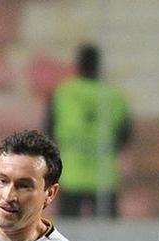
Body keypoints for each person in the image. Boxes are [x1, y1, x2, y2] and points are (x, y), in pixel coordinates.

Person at [43, 44, 132, 218]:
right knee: (109, 237)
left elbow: (48, 131)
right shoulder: (114, 96)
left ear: (79, 65)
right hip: (104, 176)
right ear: (100, 65)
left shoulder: (64, 93)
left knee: (66, 237)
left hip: (70, 174)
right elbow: (125, 136)